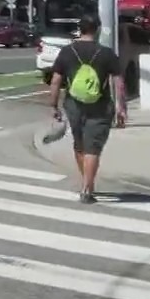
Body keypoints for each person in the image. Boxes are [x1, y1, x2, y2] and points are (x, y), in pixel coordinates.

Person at [46, 13, 126, 203]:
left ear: (79, 29)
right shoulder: (106, 53)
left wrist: (53, 106)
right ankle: (87, 189)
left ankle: (87, 182)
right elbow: (119, 83)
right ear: (96, 29)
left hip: (73, 105)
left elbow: (56, 81)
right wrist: (121, 108)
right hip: (100, 106)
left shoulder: (67, 52)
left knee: (79, 145)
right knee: (93, 148)